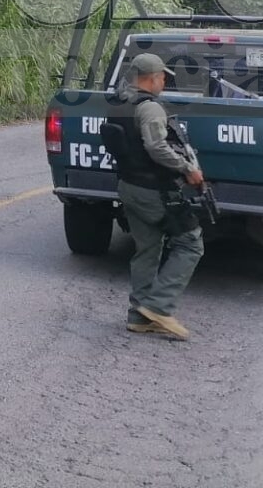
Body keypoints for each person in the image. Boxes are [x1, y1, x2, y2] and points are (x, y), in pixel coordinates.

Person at [112, 51, 205, 341]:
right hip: (152, 190)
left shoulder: (120, 103)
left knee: (147, 248)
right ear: (151, 79)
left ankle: (138, 315)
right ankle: (158, 307)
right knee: (191, 244)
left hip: (128, 186)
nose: (164, 81)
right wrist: (187, 168)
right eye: (163, 76)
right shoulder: (150, 108)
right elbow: (156, 148)